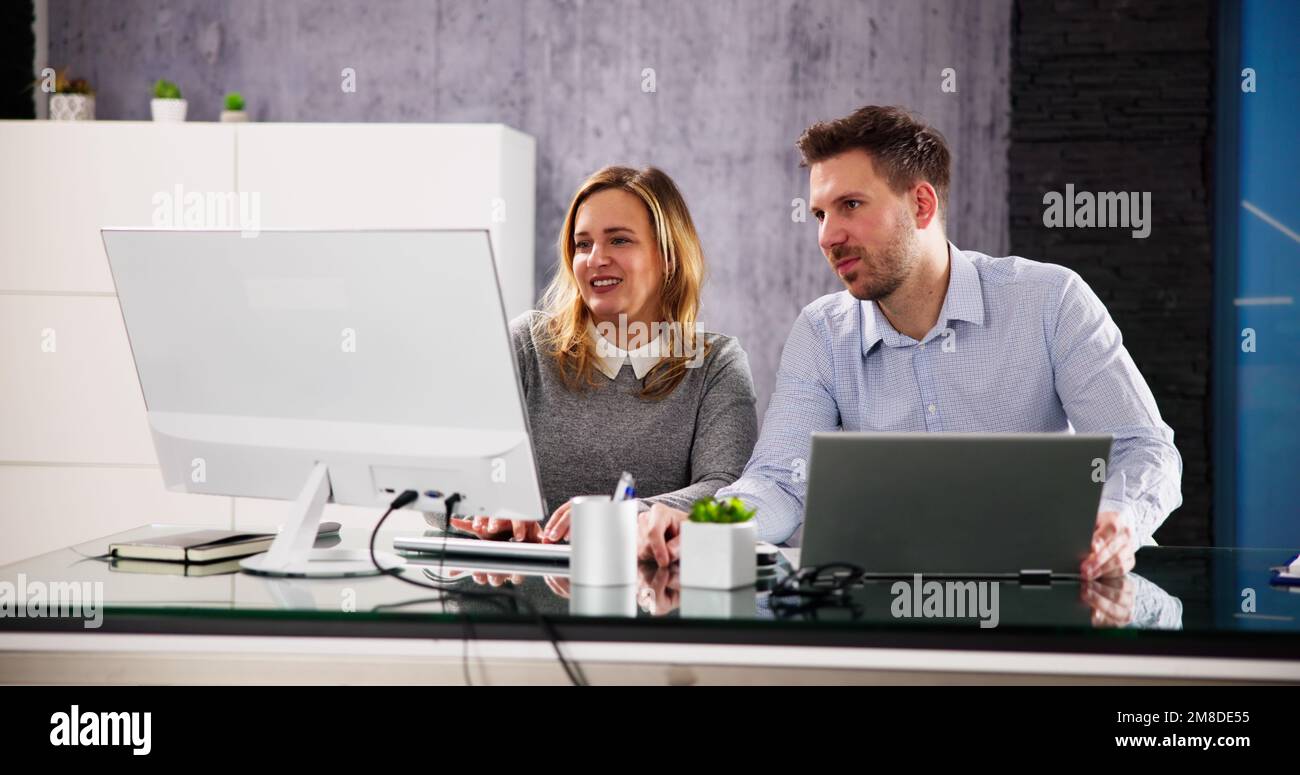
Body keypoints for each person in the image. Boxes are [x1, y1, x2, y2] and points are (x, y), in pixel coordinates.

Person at [637, 106, 1182, 579]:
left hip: (1062, 598)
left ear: (921, 205)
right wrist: (707, 522)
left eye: (850, 205)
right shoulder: (822, 332)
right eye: (820, 214)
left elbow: (1145, 448)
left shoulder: (1050, 299)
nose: (827, 236)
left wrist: (1119, 517)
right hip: (897, 611)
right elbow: (781, 480)